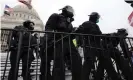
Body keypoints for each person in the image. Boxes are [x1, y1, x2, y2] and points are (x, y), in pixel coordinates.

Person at [40, 5, 82, 80]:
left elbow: (71, 35)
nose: (72, 12)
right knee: (59, 65)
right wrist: (50, 41)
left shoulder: (69, 23)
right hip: (58, 42)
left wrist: (75, 32)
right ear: (65, 10)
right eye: (70, 10)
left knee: (77, 61)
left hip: (69, 43)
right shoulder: (55, 16)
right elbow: (48, 29)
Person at [76, 12, 121, 80]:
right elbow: (79, 32)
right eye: (97, 18)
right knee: (88, 63)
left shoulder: (96, 26)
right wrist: (80, 42)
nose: (98, 19)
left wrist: (108, 36)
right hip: (89, 46)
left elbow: (100, 35)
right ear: (94, 17)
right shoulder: (86, 23)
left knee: (106, 61)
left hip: (98, 46)